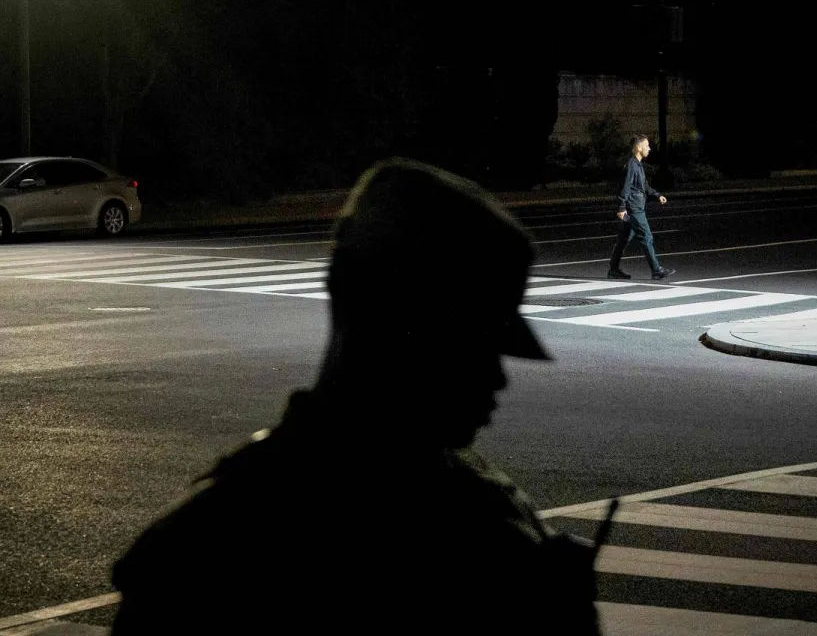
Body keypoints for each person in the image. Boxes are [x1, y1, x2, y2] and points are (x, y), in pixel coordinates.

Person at [111, 159, 600, 634]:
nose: (497, 379)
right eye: (469, 345)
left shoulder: (207, 540)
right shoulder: (482, 534)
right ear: (388, 327)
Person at [607, 135, 673, 280]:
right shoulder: (632, 165)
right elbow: (625, 187)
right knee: (646, 236)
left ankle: (613, 269)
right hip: (634, 208)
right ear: (638, 147)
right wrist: (621, 207)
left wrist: (656, 195)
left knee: (624, 239)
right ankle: (656, 270)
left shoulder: (637, 165)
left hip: (634, 206)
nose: (649, 148)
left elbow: (643, 186)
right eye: (647, 145)